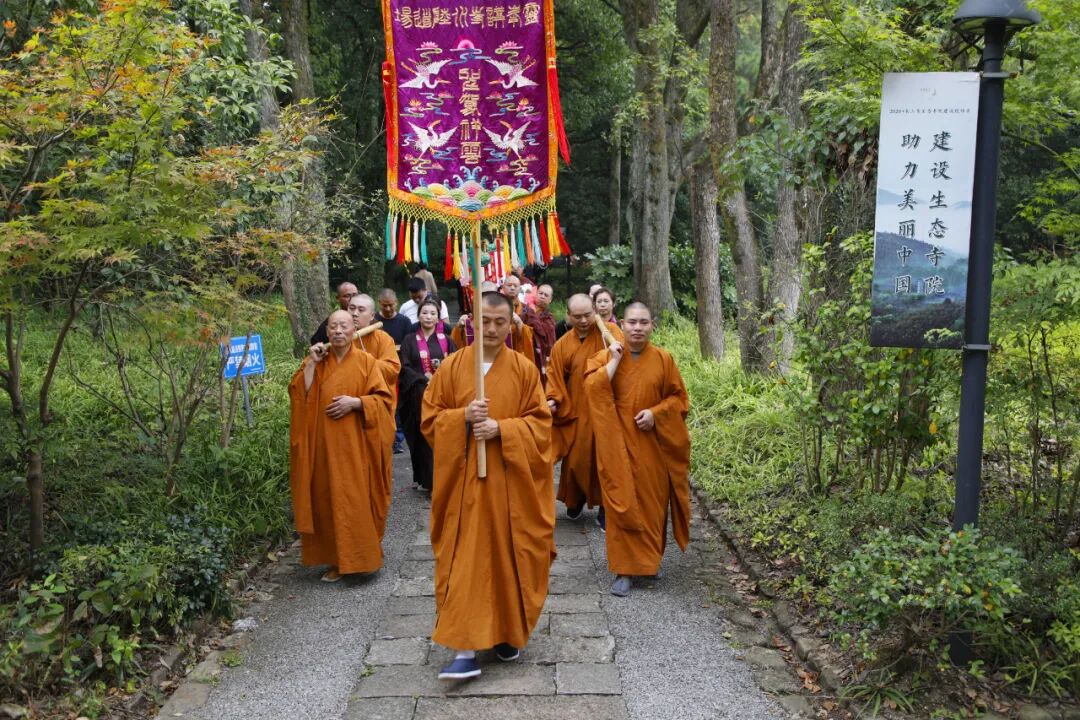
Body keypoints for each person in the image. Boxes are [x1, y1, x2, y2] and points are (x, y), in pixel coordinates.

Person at [421, 292, 554, 680]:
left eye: (500, 321)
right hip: (465, 489)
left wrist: (503, 429)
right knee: (467, 563)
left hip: (511, 489)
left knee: (509, 558)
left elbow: (541, 426)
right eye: (485, 320)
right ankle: (464, 649)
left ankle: (506, 633)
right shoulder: (452, 366)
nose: (492, 328)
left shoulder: (524, 370)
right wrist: (462, 416)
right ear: (471, 321)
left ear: (512, 323)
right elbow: (430, 419)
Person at [584, 302, 691, 597]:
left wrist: (656, 414)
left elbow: (679, 400)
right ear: (623, 324)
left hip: (652, 447)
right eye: (632, 322)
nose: (637, 328)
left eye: (644, 322)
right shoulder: (605, 355)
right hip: (616, 445)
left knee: (653, 505)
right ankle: (624, 569)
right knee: (621, 503)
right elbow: (591, 389)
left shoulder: (664, 359)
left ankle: (648, 564)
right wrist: (613, 363)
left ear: (652, 325)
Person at [288, 310, 395, 582]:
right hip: (323, 447)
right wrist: (311, 364)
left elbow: (383, 400)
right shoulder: (316, 361)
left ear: (353, 330)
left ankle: (363, 559)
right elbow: (302, 395)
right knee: (328, 501)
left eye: (343, 326)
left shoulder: (367, 362)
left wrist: (357, 403)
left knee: (356, 500)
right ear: (326, 332)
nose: (337, 331)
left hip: (356, 446)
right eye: (333, 326)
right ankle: (337, 561)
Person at [546, 294, 624, 524]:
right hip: (577, 407)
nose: (583, 320)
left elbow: (625, 362)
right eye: (577, 316)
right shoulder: (562, 345)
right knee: (577, 459)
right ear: (568, 317)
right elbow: (555, 377)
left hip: (607, 406)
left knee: (606, 458)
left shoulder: (609, 332)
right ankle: (576, 499)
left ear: (595, 312)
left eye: (587, 315)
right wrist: (553, 399)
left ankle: (605, 508)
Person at [399, 298, 456, 492]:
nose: (428, 317)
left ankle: (446, 480)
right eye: (425, 313)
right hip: (418, 396)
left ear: (439, 317)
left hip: (444, 396)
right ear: (418, 315)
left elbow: (456, 365)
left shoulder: (447, 340)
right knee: (423, 438)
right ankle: (427, 480)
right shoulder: (409, 340)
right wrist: (424, 381)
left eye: (433, 313)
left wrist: (440, 378)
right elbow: (404, 367)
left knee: (444, 437)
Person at [348, 294, 401, 395]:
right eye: (352, 308)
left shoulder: (383, 338)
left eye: (361, 310)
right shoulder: (339, 336)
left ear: (372, 315)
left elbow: (392, 370)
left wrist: (365, 360)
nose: (354, 313)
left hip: (373, 395)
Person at [529, 283, 557, 367]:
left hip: (541, 354)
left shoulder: (549, 318)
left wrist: (532, 315)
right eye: (540, 293)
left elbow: (546, 335)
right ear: (536, 294)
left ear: (550, 300)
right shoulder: (526, 311)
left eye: (546, 295)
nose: (542, 296)